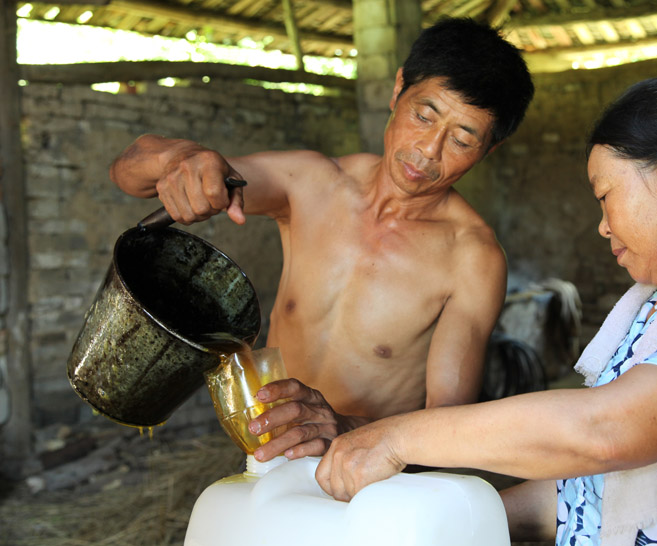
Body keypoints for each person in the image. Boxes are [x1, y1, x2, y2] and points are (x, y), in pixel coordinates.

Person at [315, 76, 657, 545]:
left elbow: (602, 431)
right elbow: (590, 492)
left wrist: (395, 438)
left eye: (606, 196)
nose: (603, 226)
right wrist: (452, 518)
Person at [109, 18, 534, 463]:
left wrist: (344, 429)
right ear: (397, 90)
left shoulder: (472, 258)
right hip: (270, 459)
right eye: (423, 116)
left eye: (462, 140)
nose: (428, 150)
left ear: (488, 150)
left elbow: (450, 424)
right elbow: (130, 172)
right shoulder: (310, 184)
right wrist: (182, 158)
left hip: (373, 481)